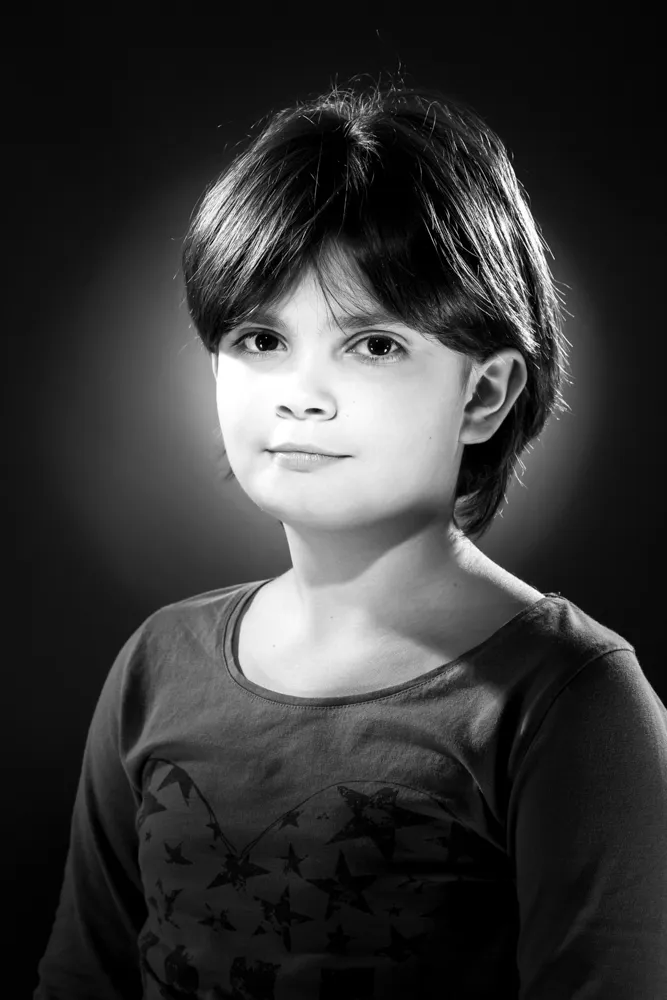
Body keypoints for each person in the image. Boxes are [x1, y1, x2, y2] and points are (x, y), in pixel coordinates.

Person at [34, 76, 667, 999]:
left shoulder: (570, 704)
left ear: (484, 394)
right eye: (259, 339)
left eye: (372, 344)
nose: (300, 393)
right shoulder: (156, 665)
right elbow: (79, 976)